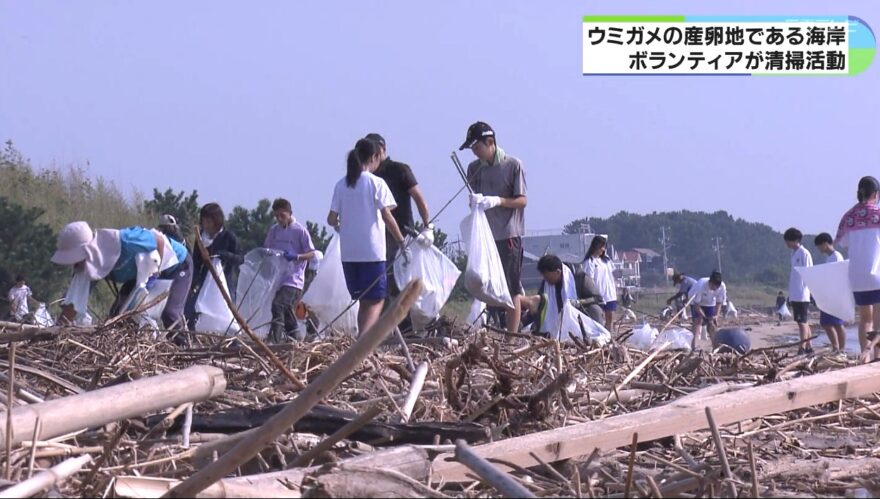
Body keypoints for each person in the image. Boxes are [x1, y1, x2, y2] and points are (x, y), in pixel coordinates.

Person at [51, 221, 192, 338]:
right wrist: (54, 332)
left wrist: (156, 273)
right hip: (139, 275)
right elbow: (73, 304)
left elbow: (158, 240)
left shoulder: (126, 240)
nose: (75, 265)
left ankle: (185, 351)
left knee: (170, 314)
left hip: (176, 264)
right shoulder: (90, 266)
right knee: (116, 318)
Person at [328, 138, 407, 335]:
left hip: (349, 255)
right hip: (372, 253)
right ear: (374, 157)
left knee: (364, 300)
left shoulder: (341, 184)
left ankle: (361, 340)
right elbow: (387, 215)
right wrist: (401, 241)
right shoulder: (375, 183)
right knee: (377, 299)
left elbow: (331, 219)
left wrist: (342, 227)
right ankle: (365, 342)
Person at [461, 121, 528, 336]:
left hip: (508, 234)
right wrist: (476, 202)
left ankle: (511, 337)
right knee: (486, 284)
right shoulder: (474, 168)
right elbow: (476, 197)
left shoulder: (512, 165)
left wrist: (497, 200)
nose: (475, 152)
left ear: (490, 143)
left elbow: (522, 200)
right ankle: (497, 328)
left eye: (477, 147)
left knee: (511, 288)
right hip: (486, 236)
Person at [364, 133, 433, 330]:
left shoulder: (400, 170)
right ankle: (389, 328)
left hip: (402, 234)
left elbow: (419, 198)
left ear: (382, 150)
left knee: (400, 282)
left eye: (375, 152)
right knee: (382, 283)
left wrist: (427, 226)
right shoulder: (368, 177)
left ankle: (406, 327)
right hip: (377, 236)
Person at [835, 176, 880, 361]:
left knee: (865, 319)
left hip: (857, 276)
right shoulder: (878, 213)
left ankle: (865, 356)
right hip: (877, 274)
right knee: (878, 319)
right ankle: (877, 356)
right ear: (876, 194)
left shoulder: (849, 216)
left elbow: (844, 244)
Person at [185, 203, 244, 329]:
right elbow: (196, 262)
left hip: (225, 282)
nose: (206, 225)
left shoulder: (228, 237)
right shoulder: (201, 238)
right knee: (193, 308)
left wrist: (224, 255)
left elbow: (240, 259)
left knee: (227, 312)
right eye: (204, 221)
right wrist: (192, 283)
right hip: (204, 280)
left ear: (216, 221)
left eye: (208, 222)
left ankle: (231, 339)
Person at [265, 198, 315, 343]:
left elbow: (312, 253)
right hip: (278, 277)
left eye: (282, 215)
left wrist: (297, 256)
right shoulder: (274, 231)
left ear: (290, 213)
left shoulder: (300, 230)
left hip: (294, 279)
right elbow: (267, 248)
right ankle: (295, 337)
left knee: (278, 304)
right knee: (286, 310)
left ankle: (275, 339)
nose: (280, 219)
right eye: (277, 216)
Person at [521, 255, 605, 336]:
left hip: (580, 316)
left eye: (546, 276)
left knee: (595, 309)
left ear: (558, 272)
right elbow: (540, 304)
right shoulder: (546, 284)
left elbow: (597, 298)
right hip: (557, 321)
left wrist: (579, 302)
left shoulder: (580, 277)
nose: (545, 279)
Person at [814, 232, 847, 353]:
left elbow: (839, 275)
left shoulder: (836, 256)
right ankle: (836, 347)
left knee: (837, 323)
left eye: (819, 246)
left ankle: (841, 349)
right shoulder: (829, 258)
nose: (819, 249)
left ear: (825, 244)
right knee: (826, 323)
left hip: (836, 294)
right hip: (829, 294)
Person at [784, 227, 814, 355]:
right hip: (795, 293)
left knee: (802, 322)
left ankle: (801, 347)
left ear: (795, 240)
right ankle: (809, 346)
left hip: (802, 293)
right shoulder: (793, 253)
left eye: (788, 241)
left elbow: (809, 272)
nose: (786, 243)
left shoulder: (804, 253)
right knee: (802, 321)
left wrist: (810, 291)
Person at [582, 236, 617, 331]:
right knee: (599, 318)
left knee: (610, 317)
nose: (603, 249)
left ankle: (609, 336)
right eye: (602, 247)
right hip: (598, 295)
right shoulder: (589, 262)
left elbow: (613, 274)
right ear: (596, 246)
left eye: (604, 247)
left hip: (610, 293)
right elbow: (589, 280)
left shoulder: (607, 260)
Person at [688, 271, 727, 350]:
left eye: (717, 287)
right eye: (713, 286)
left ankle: (715, 345)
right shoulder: (701, 286)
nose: (715, 288)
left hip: (709, 301)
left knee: (711, 323)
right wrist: (704, 317)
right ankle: (693, 346)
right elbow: (696, 305)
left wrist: (716, 315)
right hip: (695, 301)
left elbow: (719, 302)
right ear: (710, 282)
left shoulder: (722, 287)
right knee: (698, 321)